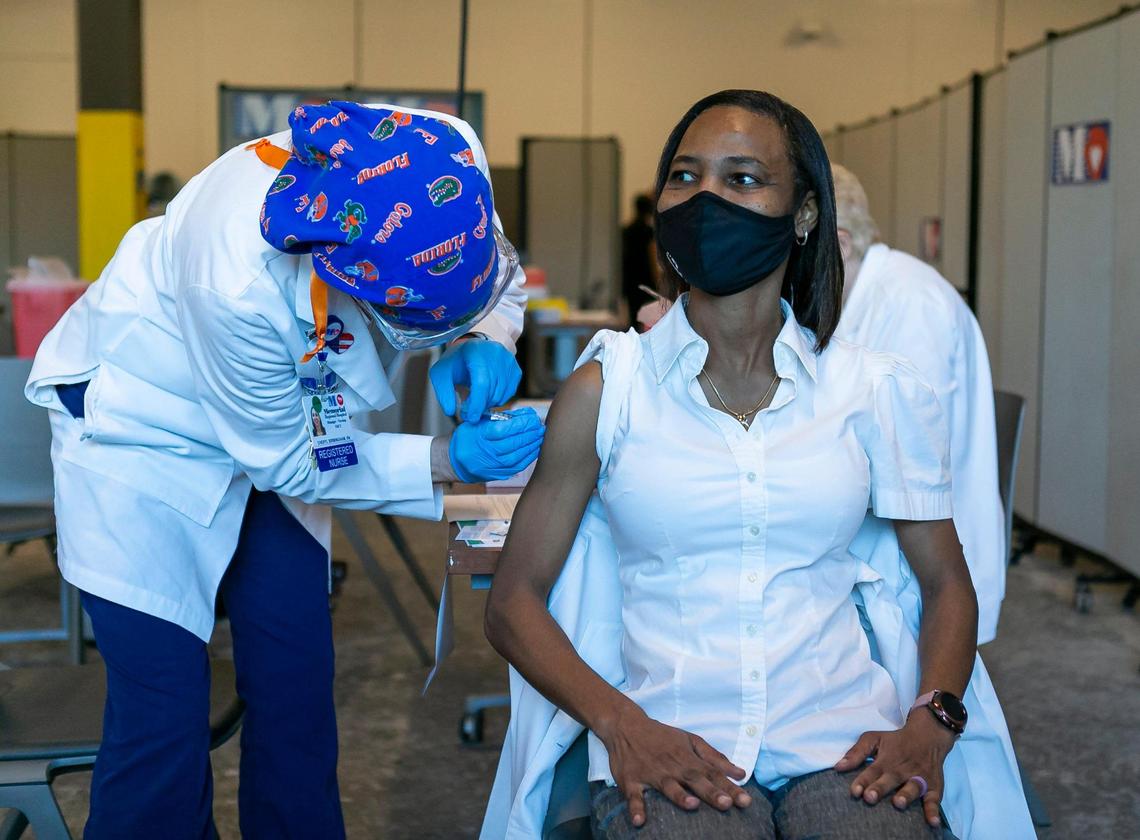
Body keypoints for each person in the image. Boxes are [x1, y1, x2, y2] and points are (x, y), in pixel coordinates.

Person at [481, 90, 1033, 839]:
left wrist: (932, 720)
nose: (706, 199)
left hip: (842, 742)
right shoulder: (609, 386)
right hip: (670, 737)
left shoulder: (871, 390)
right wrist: (620, 725)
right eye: (685, 177)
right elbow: (513, 600)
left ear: (805, 214)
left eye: (742, 179)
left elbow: (945, 583)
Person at [25, 101, 544, 839]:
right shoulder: (233, 279)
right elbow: (296, 462)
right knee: (163, 715)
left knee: (295, 687)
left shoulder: (439, 153)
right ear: (347, 269)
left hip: (275, 415)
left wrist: (487, 331)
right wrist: (443, 459)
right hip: (145, 441)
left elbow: (494, 263)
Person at [831, 164, 1006, 645]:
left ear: (840, 244)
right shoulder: (863, 295)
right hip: (896, 551)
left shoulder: (909, 304)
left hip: (928, 570)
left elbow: (905, 459)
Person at [620, 194, 658, 329]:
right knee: (648, 320)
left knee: (633, 317)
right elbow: (652, 256)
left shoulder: (626, 230)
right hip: (646, 279)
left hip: (629, 280)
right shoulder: (648, 231)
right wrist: (657, 279)